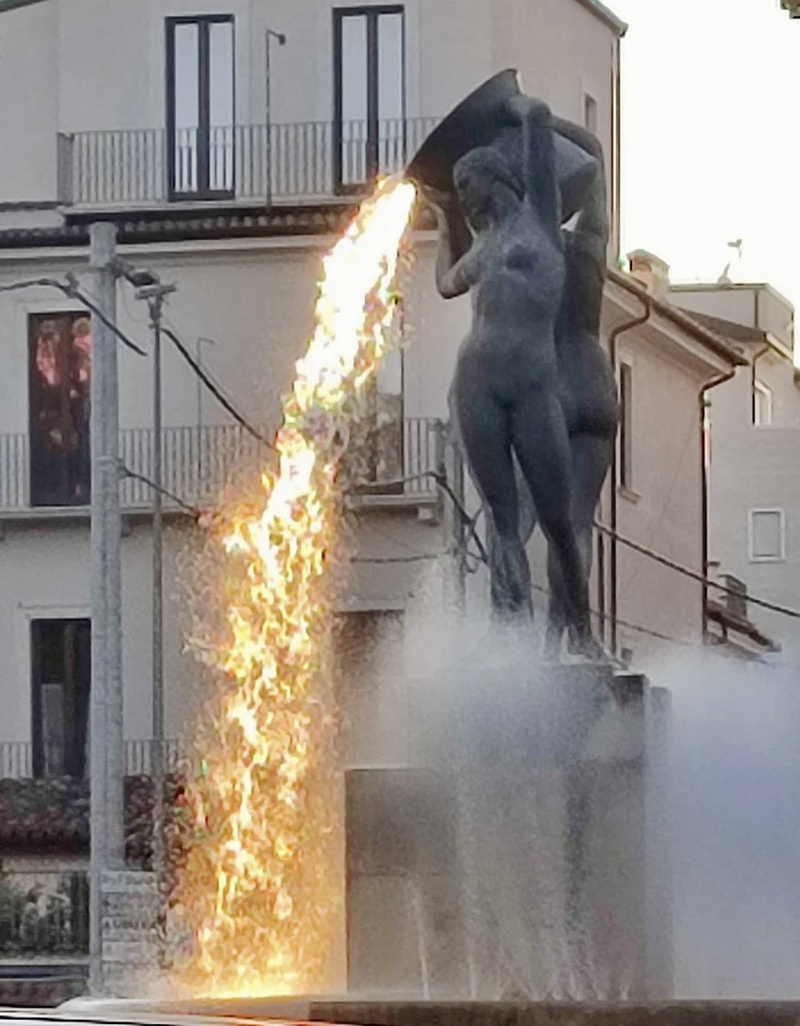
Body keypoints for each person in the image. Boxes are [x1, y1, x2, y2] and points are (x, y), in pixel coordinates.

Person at [432, 96, 600, 658]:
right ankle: (511, 648)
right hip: (475, 383)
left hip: (532, 386)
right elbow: (446, 284)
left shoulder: (541, 223)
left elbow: (538, 119)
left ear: (493, 178)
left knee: (557, 520)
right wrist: (440, 225)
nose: (465, 200)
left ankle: (580, 633)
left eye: (466, 188)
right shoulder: (481, 249)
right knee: (502, 522)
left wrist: (510, 102)